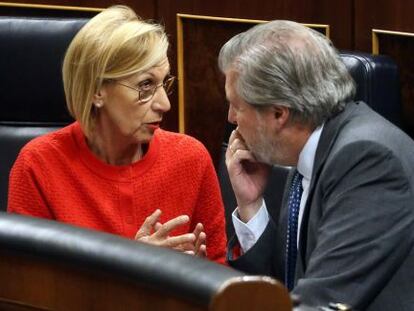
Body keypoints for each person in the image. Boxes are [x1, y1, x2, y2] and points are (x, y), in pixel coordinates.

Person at [218, 20, 414, 309]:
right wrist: (252, 206)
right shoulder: (313, 149)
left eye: (238, 105)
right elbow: (285, 287)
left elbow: (323, 301)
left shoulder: (367, 161)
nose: (231, 118)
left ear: (278, 114)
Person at [7, 5, 226, 264]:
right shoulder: (38, 164)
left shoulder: (190, 158)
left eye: (163, 83)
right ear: (97, 90)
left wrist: (199, 275)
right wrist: (130, 266)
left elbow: (221, 276)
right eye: (145, 85)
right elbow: (31, 292)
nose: (164, 104)